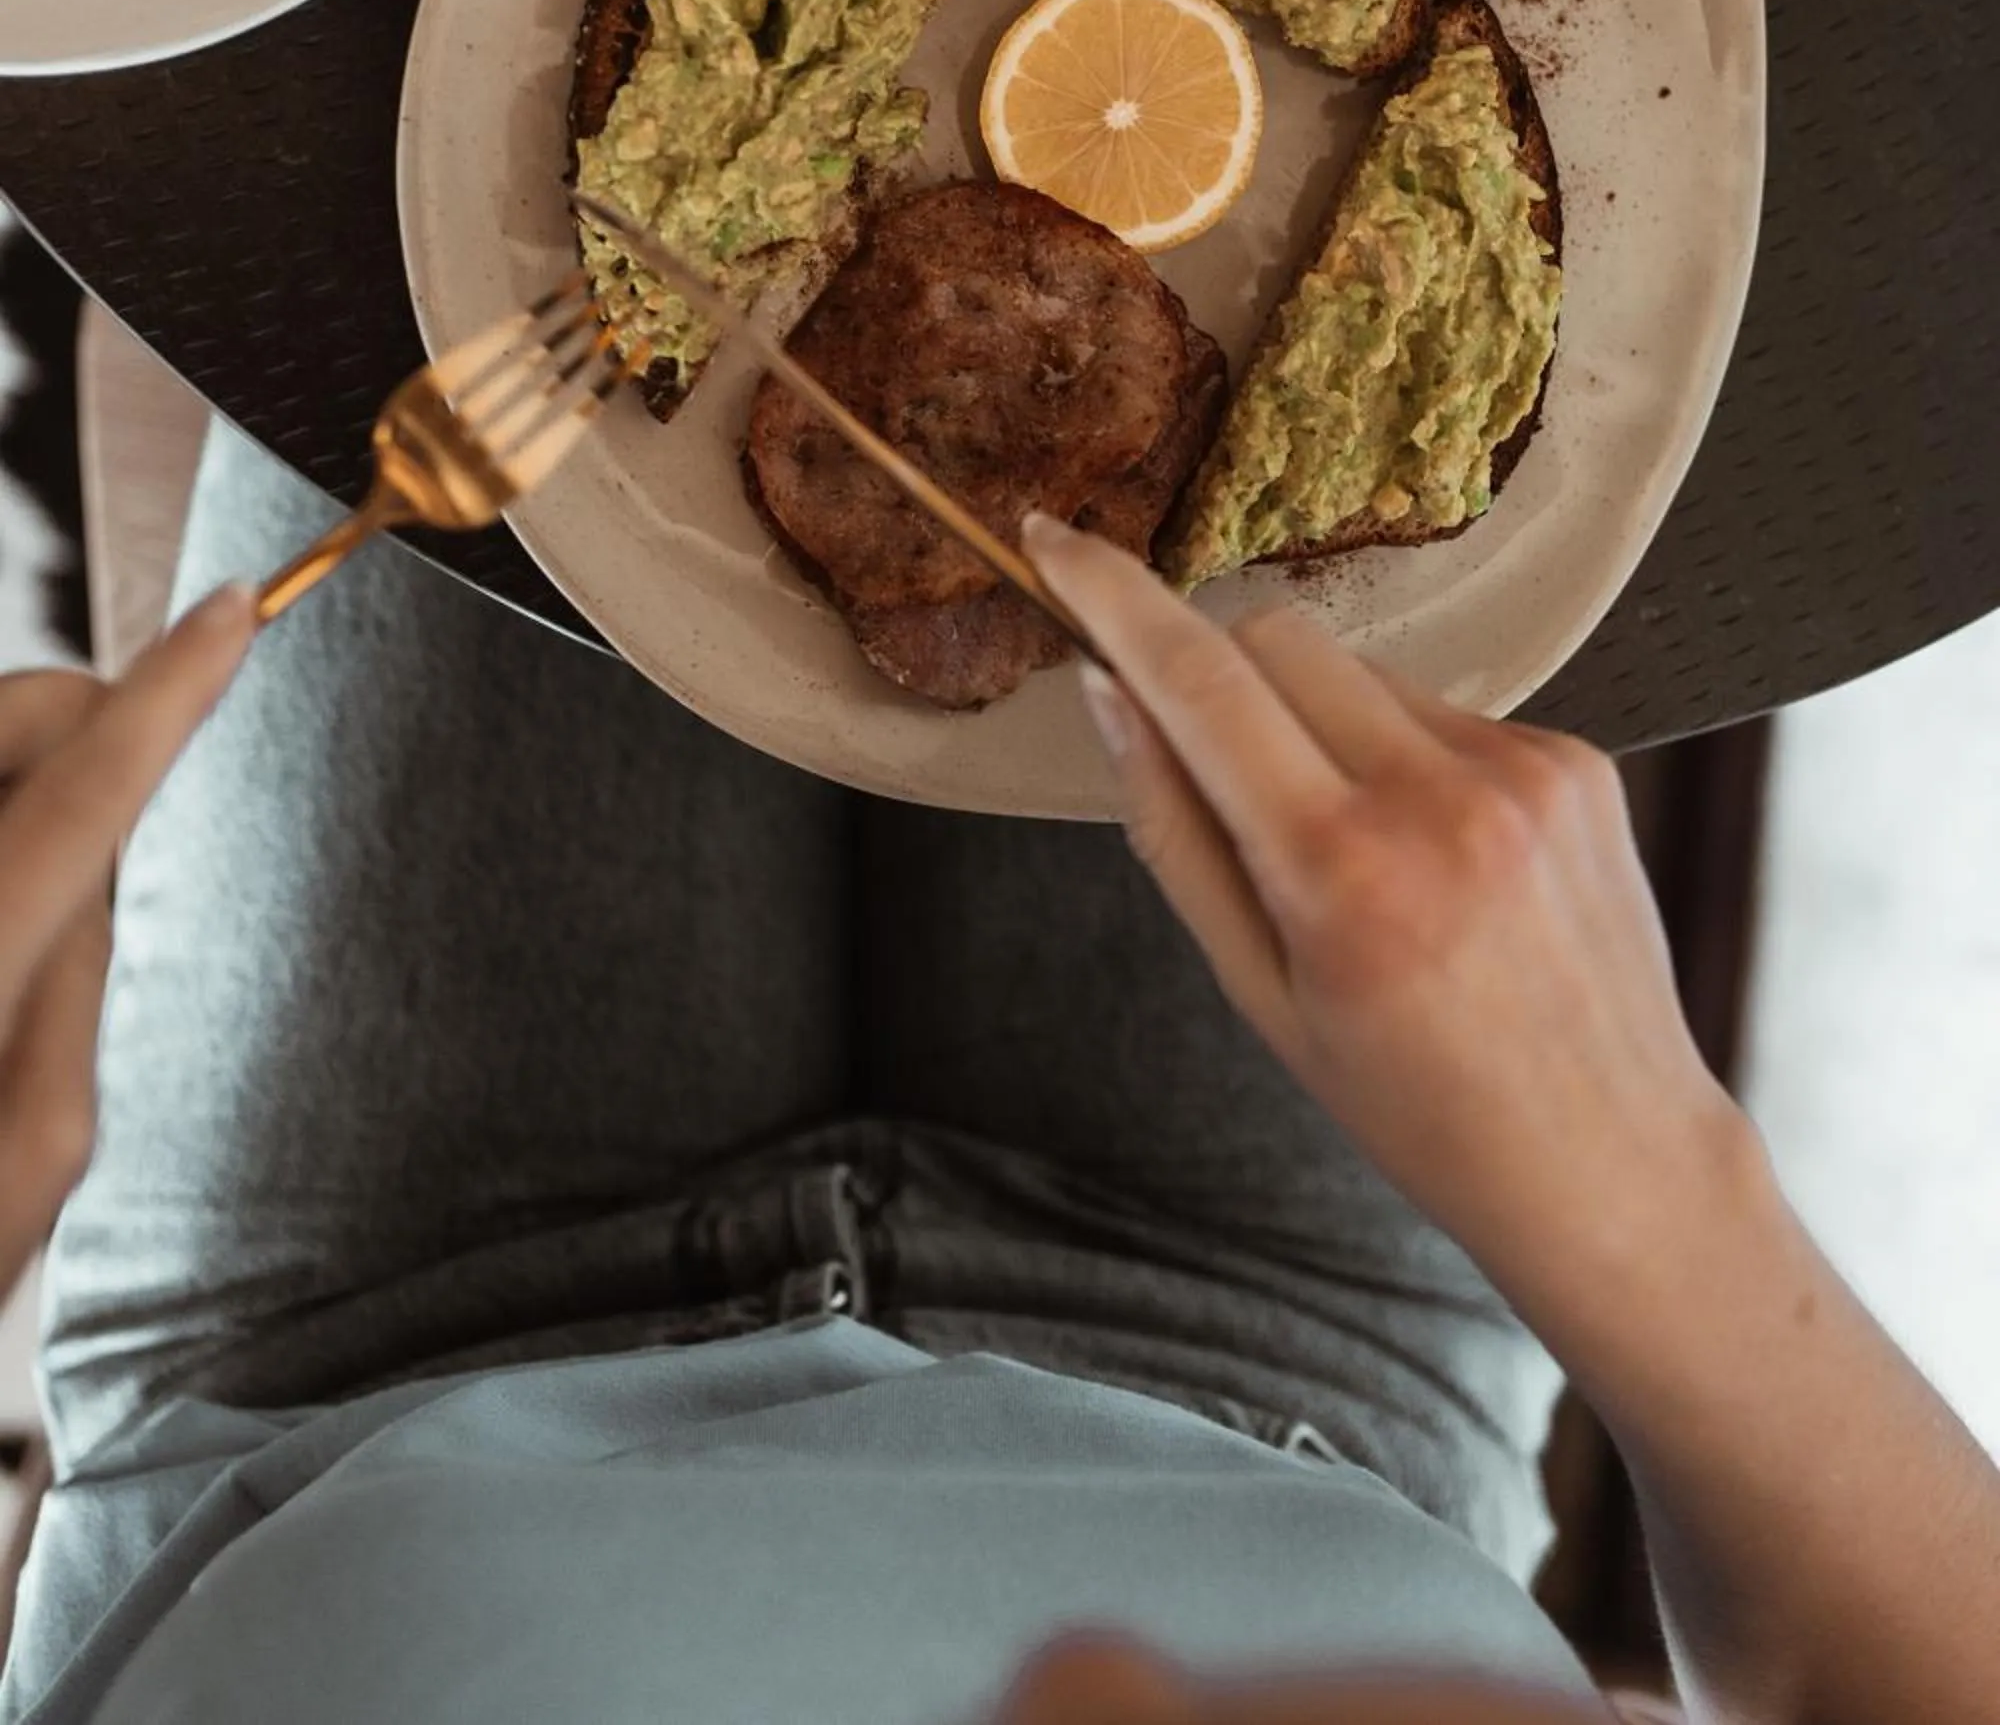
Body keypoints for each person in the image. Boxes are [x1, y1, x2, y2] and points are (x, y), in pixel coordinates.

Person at [0, 422, 1995, 1725]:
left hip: (340, 1347)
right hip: (1293, 1360)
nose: (1071, 1683)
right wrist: (1658, 1201)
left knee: (460, 145)